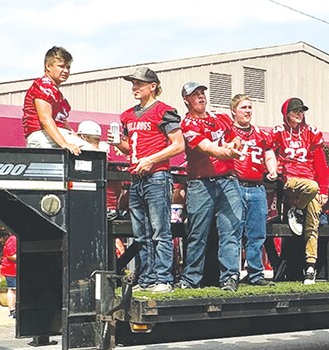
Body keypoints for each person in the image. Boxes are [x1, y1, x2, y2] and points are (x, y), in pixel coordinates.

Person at [115, 67, 185, 293]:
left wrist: (151, 160)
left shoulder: (164, 111)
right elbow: (131, 147)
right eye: (133, 84)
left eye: (139, 84)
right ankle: (146, 278)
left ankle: (163, 278)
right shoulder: (127, 115)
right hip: (137, 177)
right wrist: (118, 143)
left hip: (157, 176)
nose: (135, 88)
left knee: (159, 230)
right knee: (141, 233)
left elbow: (178, 144)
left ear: (152, 86)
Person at [178, 81, 244, 292]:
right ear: (186, 100)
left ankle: (230, 278)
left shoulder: (221, 117)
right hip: (200, 183)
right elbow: (208, 149)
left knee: (230, 230)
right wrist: (227, 151)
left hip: (228, 180)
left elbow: (236, 140)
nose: (200, 97)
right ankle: (190, 279)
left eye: (202, 93)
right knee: (197, 233)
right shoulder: (187, 124)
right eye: (195, 94)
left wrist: (233, 146)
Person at [271, 97, 329, 284]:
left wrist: (325, 190)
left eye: (302, 110)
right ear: (286, 113)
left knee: (313, 220)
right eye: (295, 110)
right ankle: (296, 210)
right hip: (289, 181)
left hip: (309, 182)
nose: (299, 113)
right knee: (312, 187)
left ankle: (310, 266)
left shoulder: (311, 133)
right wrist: (273, 168)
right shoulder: (278, 132)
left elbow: (320, 163)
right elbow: (268, 151)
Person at [227, 94, 278, 286]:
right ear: (234, 111)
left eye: (250, 107)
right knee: (233, 232)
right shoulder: (228, 131)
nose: (248, 111)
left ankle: (255, 274)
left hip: (257, 187)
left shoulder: (261, 133)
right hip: (235, 185)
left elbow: (269, 154)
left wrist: (272, 169)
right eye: (243, 108)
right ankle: (231, 275)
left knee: (257, 234)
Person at [21, 46, 87, 154]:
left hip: (55, 134)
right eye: (61, 66)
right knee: (93, 153)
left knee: (93, 154)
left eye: (68, 67)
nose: (66, 71)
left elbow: (62, 121)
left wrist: (74, 136)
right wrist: (64, 143)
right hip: (41, 134)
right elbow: (45, 119)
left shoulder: (56, 92)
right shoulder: (43, 86)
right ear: (48, 66)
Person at [0, 233, 18, 318]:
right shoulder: (13, 239)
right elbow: (10, 255)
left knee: (15, 290)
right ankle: (12, 310)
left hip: (14, 269)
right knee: (12, 289)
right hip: (11, 269)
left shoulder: (15, 238)